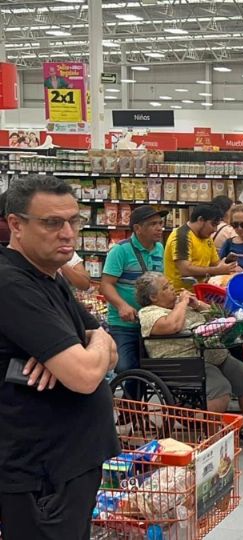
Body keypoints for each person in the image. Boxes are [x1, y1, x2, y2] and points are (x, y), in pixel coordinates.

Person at [0, 174, 119, 538]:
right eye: (52, 222)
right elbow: (84, 376)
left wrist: (90, 344)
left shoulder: (50, 276)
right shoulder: (12, 283)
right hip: (40, 472)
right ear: (16, 224)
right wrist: (87, 350)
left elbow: (108, 347)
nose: (68, 233)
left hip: (68, 463)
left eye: (74, 220)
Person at [135, 272, 243, 446]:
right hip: (183, 361)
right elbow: (172, 326)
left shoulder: (182, 306)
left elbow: (219, 317)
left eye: (170, 284)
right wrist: (183, 303)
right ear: (153, 296)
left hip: (213, 354)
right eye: (166, 287)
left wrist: (198, 304)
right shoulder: (149, 312)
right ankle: (212, 439)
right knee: (220, 387)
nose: (172, 289)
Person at [100, 205, 167, 381]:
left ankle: (142, 406)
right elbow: (106, 285)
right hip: (125, 325)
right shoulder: (120, 250)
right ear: (137, 228)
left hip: (151, 322)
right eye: (153, 224)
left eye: (160, 223)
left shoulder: (159, 248)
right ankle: (127, 408)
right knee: (127, 369)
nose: (160, 228)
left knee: (153, 369)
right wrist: (122, 306)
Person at [164, 204, 238, 291]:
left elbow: (215, 263)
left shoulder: (207, 238)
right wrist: (217, 270)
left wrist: (227, 265)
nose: (215, 230)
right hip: (179, 295)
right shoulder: (181, 236)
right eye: (213, 224)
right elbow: (185, 270)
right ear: (200, 220)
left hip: (201, 292)